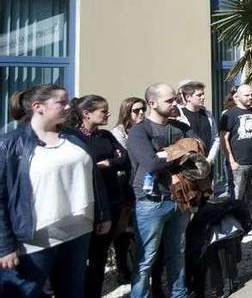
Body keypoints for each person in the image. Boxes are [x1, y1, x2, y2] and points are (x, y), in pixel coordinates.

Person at [0, 84, 111, 298]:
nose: (69, 106)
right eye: (61, 101)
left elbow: (94, 177)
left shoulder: (75, 138)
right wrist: (4, 245)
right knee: (24, 293)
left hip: (78, 232)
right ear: (38, 106)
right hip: (35, 239)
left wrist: (103, 213)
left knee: (72, 291)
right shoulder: (10, 145)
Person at [128, 83, 195, 298]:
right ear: (151, 103)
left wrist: (166, 155)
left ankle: (179, 294)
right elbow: (151, 164)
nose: (174, 103)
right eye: (169, 100)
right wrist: (179, 154)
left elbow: (196, 155)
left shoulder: (180, 128)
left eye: (175, 98)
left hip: (179, 198)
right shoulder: (139, 131)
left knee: (177, 253)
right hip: (151, 200)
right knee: (147, 258)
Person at [68, 95, 131, 298]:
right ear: (86, 113)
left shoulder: (105, 136)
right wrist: (104, 163)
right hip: (86, 203)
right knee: (79, 257)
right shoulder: (73, 138)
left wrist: (109, 164)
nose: (108, 114)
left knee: (99, 254)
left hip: (110, 201)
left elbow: (123, 157)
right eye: (103, 111)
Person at [219, 84, 252, 235]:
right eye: (246, 95)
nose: (250, 98)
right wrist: (231, 160)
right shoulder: (229, 114)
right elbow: (224, 138)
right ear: (238, 96)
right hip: (239, 163)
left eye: (251, 95)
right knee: (237, 196)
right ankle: (236, 225)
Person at [109, 96, 145, 284]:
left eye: (142, 110)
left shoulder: (144, 129)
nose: (140, 113)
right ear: (127, 112)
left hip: (141, 183)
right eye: (136, 110)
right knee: (123, 231)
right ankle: (122, 268)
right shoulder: (118, 133)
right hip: (124, 185)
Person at [174, 81, 223, 195]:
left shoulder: (207, 114)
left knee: (205, 198)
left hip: (207, 164)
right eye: (199, 95)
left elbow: (216, 138)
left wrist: (209, 160)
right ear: (188, 97)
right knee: (190, 198)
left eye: (203, 94)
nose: (203, 97)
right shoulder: (179, 116)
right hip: (188, 167)